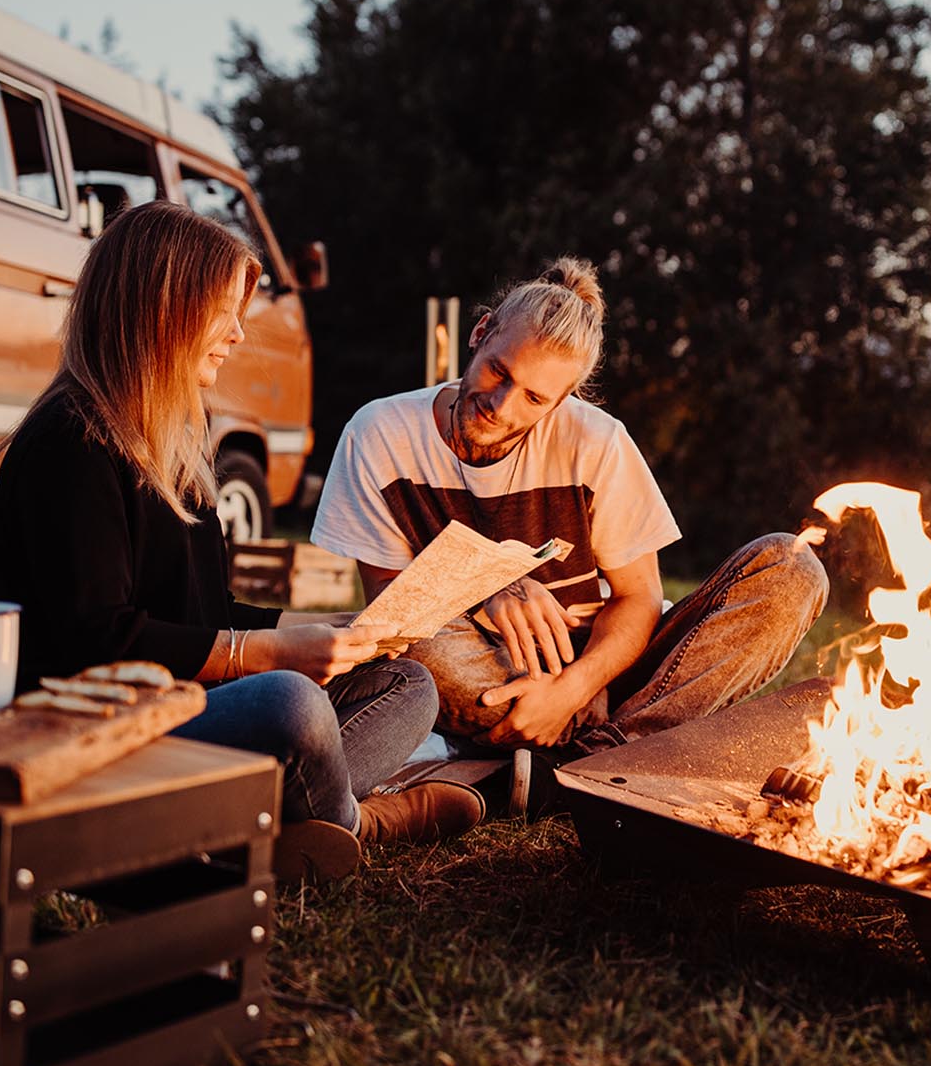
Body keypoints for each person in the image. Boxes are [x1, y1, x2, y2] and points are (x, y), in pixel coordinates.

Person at [0, 201, 483, 880]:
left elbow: (204, 613)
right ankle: (358, 822)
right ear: (166, 307)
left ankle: (282, 819)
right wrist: (267, 655)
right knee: (290, 702)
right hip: (96, 728)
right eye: (226, 310)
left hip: (179, 706)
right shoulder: (71, 442)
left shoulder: (173, 441)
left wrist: (324, 629)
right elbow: (93, 641)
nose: (239, 333)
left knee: (406, 681)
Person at [311, 257, 828, 809]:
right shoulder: (379, 433)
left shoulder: (596, 442)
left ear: (563, 400)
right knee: (410, 644)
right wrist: (487, 583)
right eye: (498, 372)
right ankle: (621, 764)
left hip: (614, 678)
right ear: (480, 333)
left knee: (792, 568)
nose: (502, 406)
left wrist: (578, 686)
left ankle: (587, 759)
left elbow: (638, 598)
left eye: (535, 398)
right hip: (484, 674)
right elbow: (391, 610)